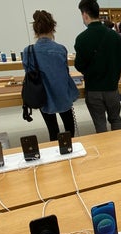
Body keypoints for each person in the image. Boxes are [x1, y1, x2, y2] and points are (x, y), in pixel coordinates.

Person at [23, 10, 80, 141]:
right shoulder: (61, 49)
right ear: (53, 28)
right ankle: (69, 149)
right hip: (62, 94)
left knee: (52, 130)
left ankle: (55, 152)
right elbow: (65, 73)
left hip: (42, 95)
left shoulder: (28, 51)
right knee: (69, 128)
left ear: (35, 30)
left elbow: (29, 74)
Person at [74, 0, 121, 133]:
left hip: (93, 90)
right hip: (112, 88)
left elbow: (79, 65)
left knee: (100, 125)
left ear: (85, 14)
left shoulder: (81, 38)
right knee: (116, 120)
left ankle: (105, 152)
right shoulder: (114, 36)